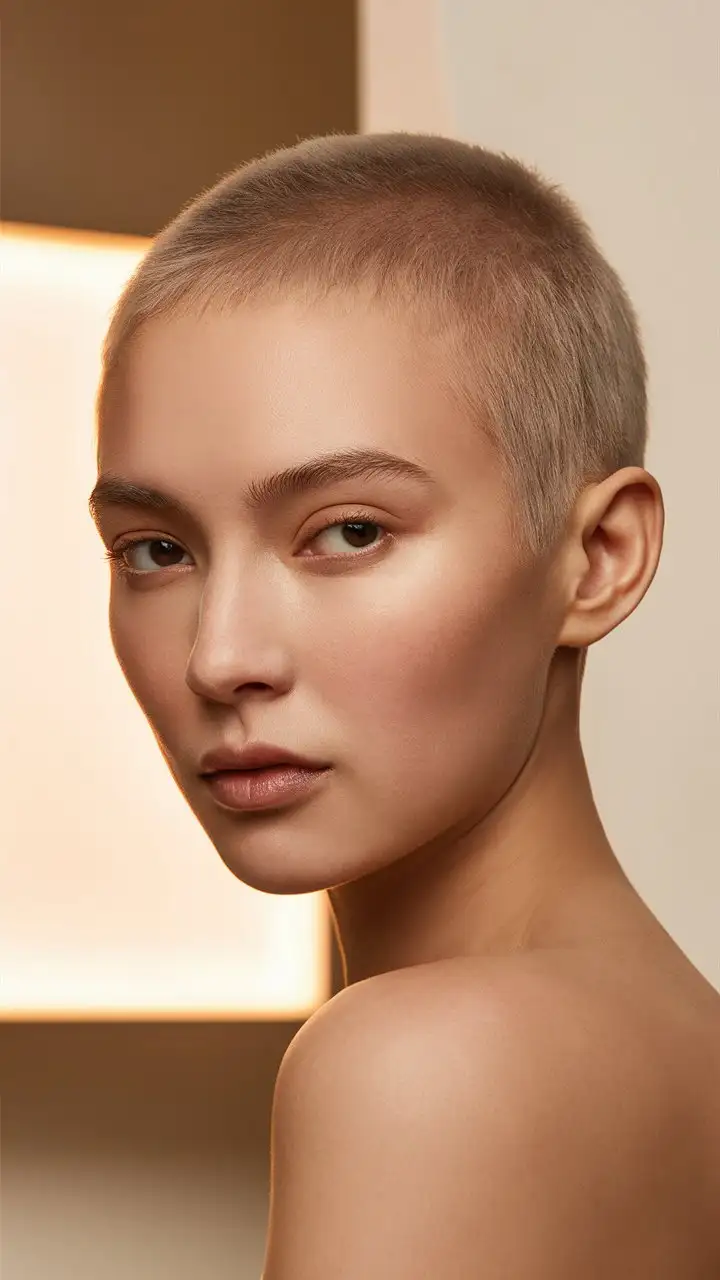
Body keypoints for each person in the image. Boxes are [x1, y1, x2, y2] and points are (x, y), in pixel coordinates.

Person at [88, 133, 720, 1277]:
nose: (221, 655)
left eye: (349, 530)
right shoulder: (681, 1038)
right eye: (156, 549)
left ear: (600, 558)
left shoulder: (417, 1067)